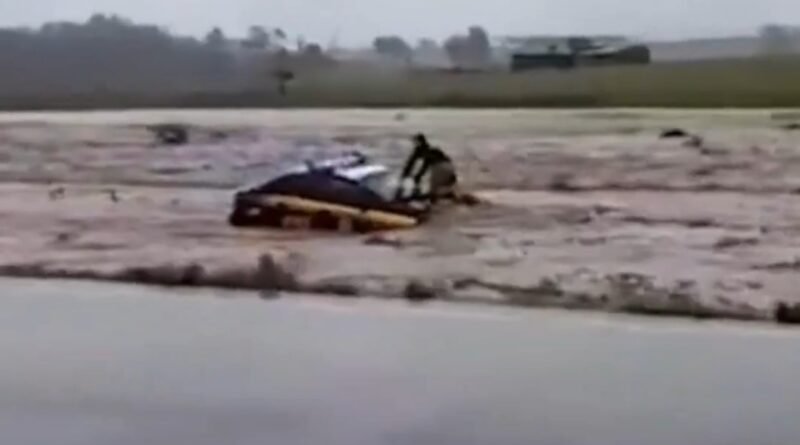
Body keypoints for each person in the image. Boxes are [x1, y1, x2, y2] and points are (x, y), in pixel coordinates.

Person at [394, 133, 458, 203]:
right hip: (448, 167)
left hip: (440, 167)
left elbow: (413, 165)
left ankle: (441, 199)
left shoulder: (422, 151)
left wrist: (405, 178)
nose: (414, 144)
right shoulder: (430, 150)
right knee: (433, 191)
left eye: (416, 142)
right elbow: (417, 166)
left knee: (432, 192)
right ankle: (449, 197)